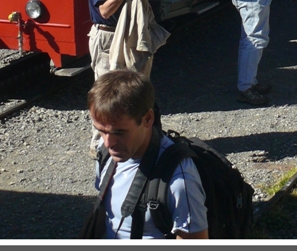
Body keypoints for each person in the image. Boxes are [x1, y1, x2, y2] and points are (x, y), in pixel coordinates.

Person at [88, 70, 208, 239]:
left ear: (147, 119)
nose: (108, 143)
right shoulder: (106, 151)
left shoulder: (179, 178)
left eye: (119, 132)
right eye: (101, 131)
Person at [87, 0, 166, 157]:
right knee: (106, 92)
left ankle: (129, 138)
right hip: (107, 38)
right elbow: (104, 10)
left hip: (125, 38)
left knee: (131, 87)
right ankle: (99, 146)